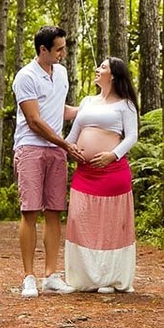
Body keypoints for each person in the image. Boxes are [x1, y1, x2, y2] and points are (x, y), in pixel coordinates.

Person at [12, 25, 84, 298]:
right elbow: (34, 120)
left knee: (54, 211)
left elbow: (59, 111)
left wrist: (89, 108)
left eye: (64, 48)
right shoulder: (26, 77)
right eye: (59, 49)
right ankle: (29, 277)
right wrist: (65, 144)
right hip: (31, 148)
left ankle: (51, 275)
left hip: (56, 151)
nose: (63, 53)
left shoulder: (62, 73)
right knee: (30, 211)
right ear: (43, 50)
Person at [63, 57, 138, 293]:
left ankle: (110, 279)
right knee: (80, 220)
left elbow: (131, 137)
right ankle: (85, 279)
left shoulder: (125, 105)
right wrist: (69, 148)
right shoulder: (87, 101)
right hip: (84, 174)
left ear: (113, 75)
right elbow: (73, 134)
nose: (97, 69)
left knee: (110, 226)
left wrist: (112, 155)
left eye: (103, 67)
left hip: (112, 173)